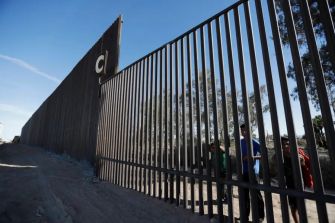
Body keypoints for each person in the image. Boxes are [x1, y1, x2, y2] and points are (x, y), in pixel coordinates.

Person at [281, 136, 313, 223]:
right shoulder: (280, 156)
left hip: (300, 182)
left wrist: (302, 164)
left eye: (287, 144)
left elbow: (308, 167)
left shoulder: (298, 154)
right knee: (292, 206)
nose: (285, 146)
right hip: (289, 183)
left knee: (300, 206)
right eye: (283, 144)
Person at [240, 123, 265, 222]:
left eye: (245, 130)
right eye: (242, 130)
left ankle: (260, 217)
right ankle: (245, 216)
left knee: (256, 195)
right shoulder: (240, 142)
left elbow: (264, 155)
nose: (244, 132)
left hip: (254, 172)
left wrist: (252, 157)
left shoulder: (255, 142)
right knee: (244, 195)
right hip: (243, 171)